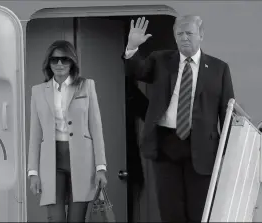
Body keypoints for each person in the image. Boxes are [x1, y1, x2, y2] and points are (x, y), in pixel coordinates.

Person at [123, 15, 235, 222]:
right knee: (170, 210)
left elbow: (227, 114)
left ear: (201, 35)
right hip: (166, 145)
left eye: (189, 33)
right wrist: (132, 47)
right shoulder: (160, 60)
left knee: (199, 211)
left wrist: (227, 155)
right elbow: (136, 71)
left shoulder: (219, 69)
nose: (184, 38)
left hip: (202, 148)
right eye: (179, 33)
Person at [27, 40, 108, 222]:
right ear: (48, 63)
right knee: (55, 218)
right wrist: (33, 172)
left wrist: (100, 167)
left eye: (65, 59)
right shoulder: (38, 91)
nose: (60, 64)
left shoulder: (86, 86)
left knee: (76, 219)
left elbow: (96, 128)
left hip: (82, 160)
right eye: (54, 60)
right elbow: (35, 133)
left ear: (72, 62)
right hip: (51, 161)